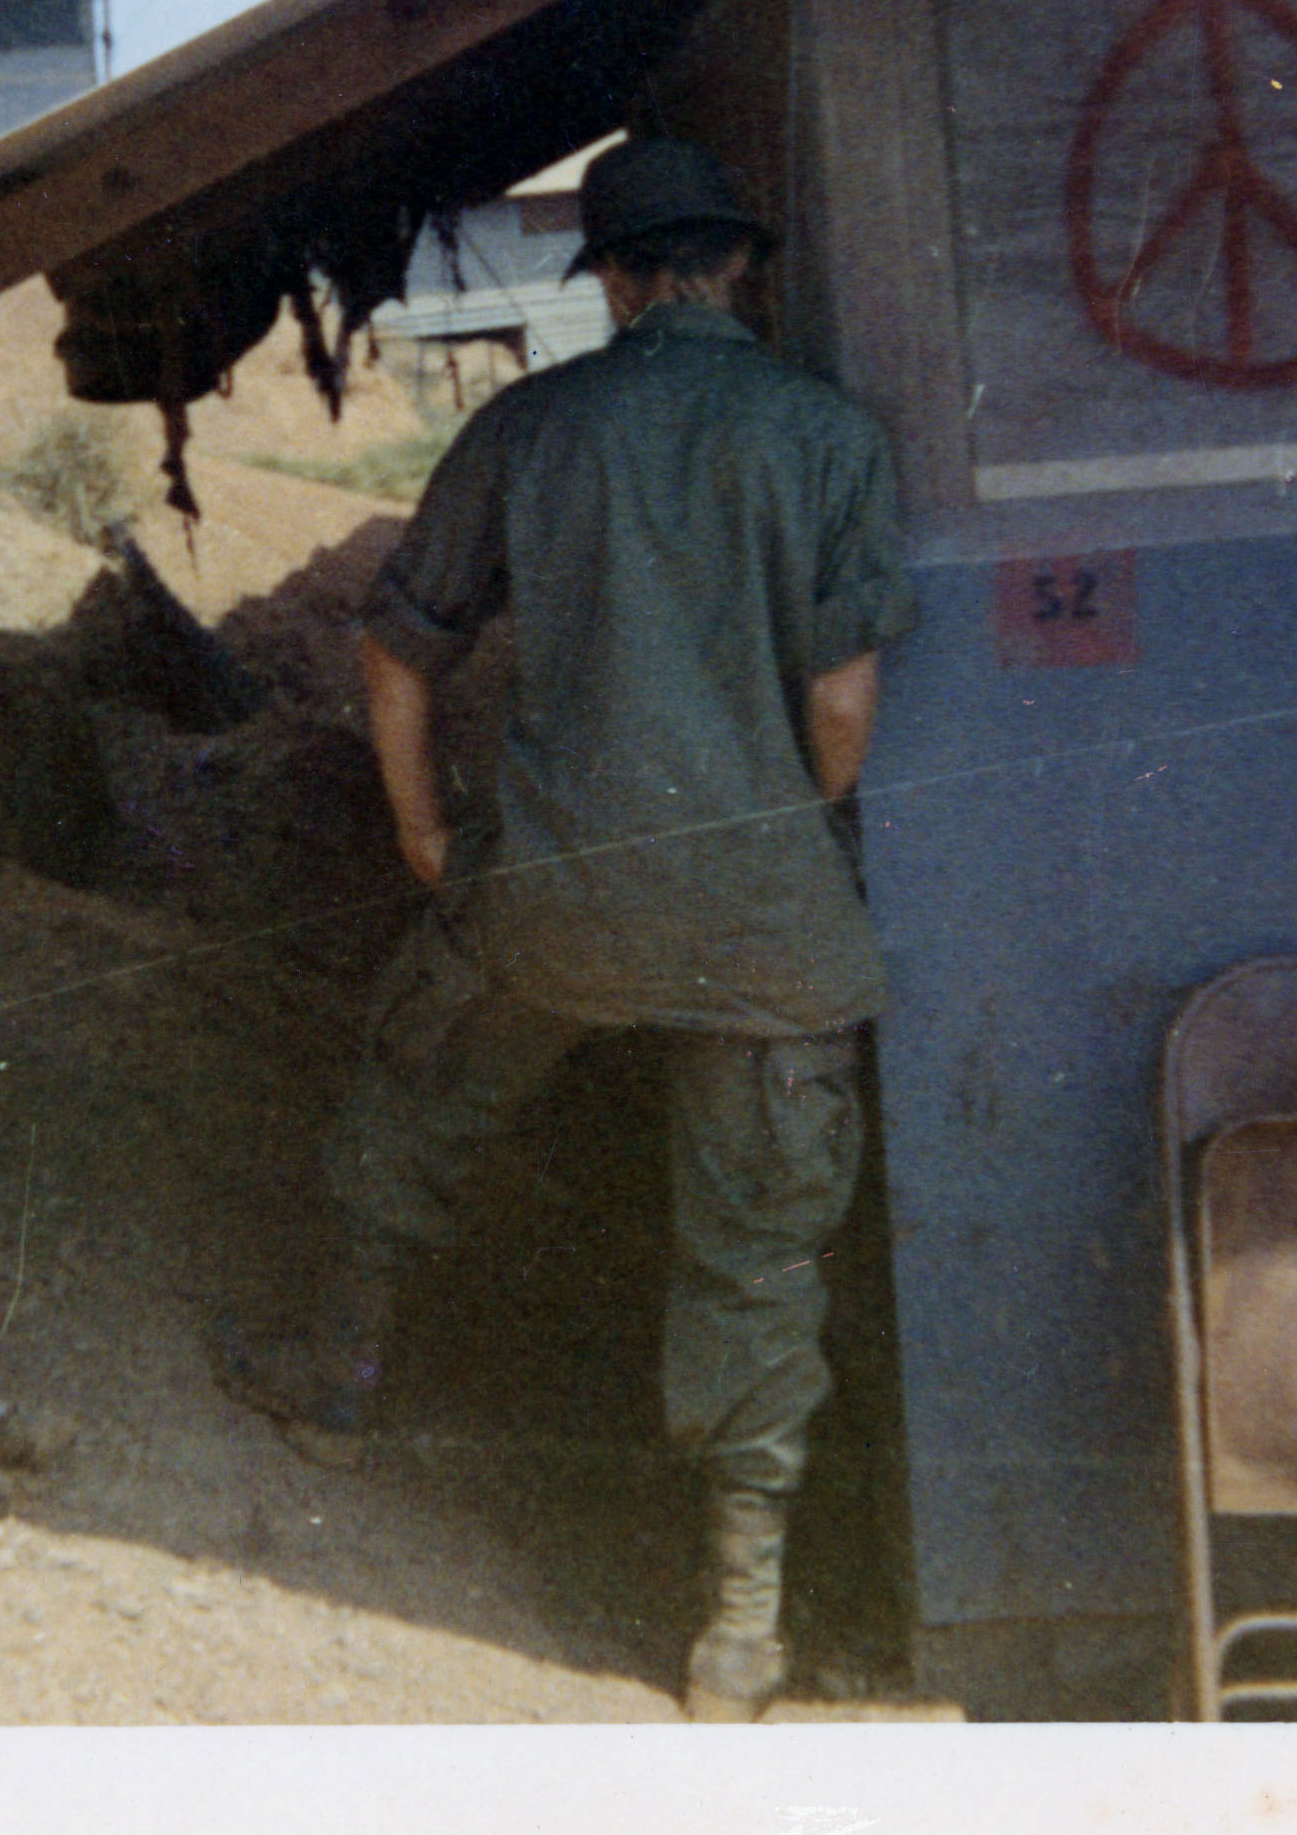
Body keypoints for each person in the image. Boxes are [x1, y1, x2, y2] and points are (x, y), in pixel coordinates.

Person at [216, 135, 917, 1719]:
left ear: (607, 274)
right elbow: (842, 702)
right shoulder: (826, 440)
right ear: (737, 265)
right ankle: (737, 1629)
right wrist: (767, 820)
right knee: (756, 1256)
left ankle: (335, 1376)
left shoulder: (529, 427)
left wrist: (421, 830)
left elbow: (397, 656)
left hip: (549, 900)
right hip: (764, 924)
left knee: (416, 1098)